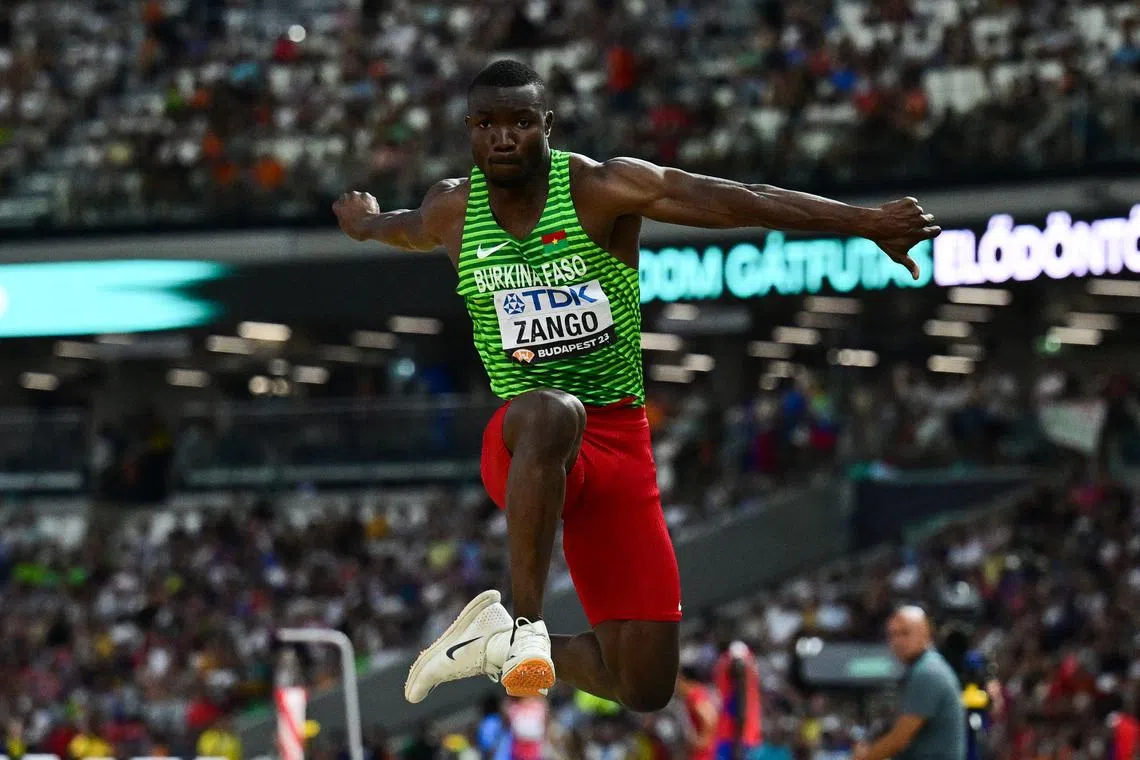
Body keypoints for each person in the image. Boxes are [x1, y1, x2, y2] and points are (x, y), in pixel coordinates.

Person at [333, 59, 940, 710]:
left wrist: (865, 221)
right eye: (486, 124)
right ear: (470, 131)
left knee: (642, 683)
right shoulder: (454, 208)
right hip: (523, 447)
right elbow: (399, 227)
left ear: (546, 126)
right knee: (551, 410)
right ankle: (526, 626)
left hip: (619, 448)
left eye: (519, 122)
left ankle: (490, 645)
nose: (502, 138)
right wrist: (362, 222)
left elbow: (743, 200)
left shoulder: (601, 188)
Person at [854, 607, 966, 760]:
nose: (898, 641)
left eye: (905, 633)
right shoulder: (922, 667)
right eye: (893, 635)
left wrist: (864, 758)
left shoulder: (927, 672)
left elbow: (899, 740)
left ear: (925, 634)